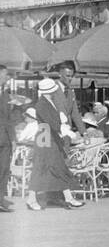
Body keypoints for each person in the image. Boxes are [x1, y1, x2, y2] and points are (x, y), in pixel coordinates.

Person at [25, 77, 84, 210]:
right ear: (49, 91)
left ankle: (68, 198)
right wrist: (66, 129)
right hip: (45, 139)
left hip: (47, 138)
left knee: (58, 167)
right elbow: (51, 123)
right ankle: (32, 199)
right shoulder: (42, 104)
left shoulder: (48, 102)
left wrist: (61, 124)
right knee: (42, 169)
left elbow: (53, 121)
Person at [49, 61, 86, 135]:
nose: (70, 78)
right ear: (60, 74)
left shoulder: (70, 92)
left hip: (67, 130)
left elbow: (75, 114)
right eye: (68, 76)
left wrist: (84, 132)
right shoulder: (51, 89)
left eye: (72, 76)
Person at [0, 64, 16, 212]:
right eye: (5, 74)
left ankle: (0, 198)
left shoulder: (5, 94)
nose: (7, 77)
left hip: (5, 138)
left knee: (4, 169)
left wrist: (13, 138)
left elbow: (9, 118)